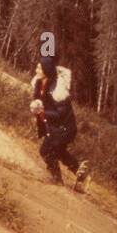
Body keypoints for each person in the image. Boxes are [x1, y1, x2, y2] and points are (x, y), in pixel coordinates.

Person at [30, 53, 90, 191]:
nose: (36, 71)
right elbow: (38, 99)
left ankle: (57, 179)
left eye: (39, 69)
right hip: (54, 126)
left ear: (46, 70)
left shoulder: (58, 89)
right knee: (61, 152)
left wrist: (42, 111)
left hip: (65, 128)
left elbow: (60, 114)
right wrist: (36, 104)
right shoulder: (40, 83)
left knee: (46, 151)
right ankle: (82, 175)